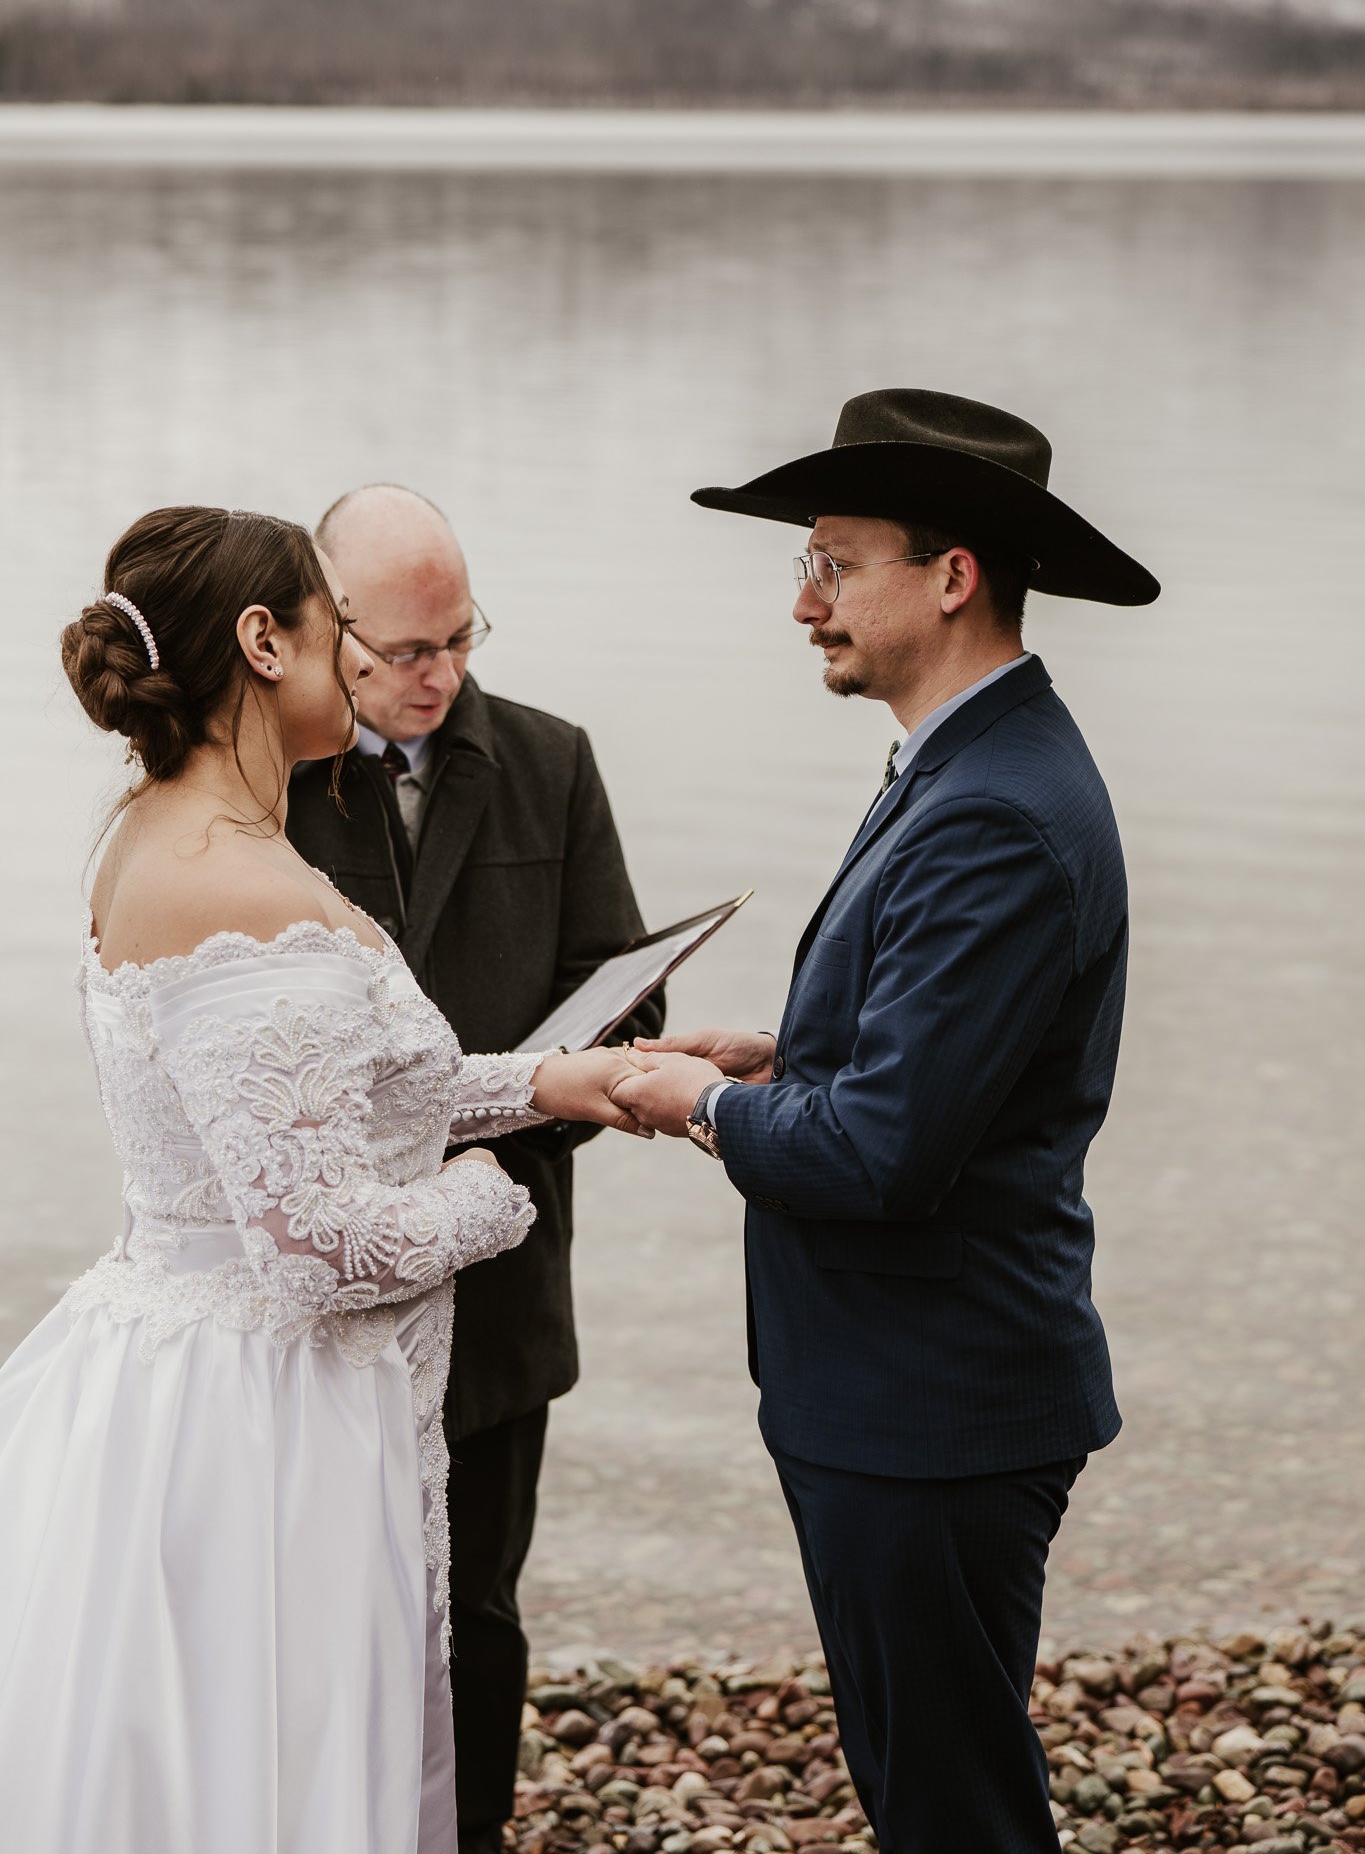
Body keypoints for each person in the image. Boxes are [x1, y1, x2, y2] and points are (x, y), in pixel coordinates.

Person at [0, 504, 645, 1854]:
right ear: (261, 640)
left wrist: (543, 1083)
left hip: (172, 1355)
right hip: (264, 1415)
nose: (360, 662)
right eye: (335, 628)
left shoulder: (153, 832)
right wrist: (491, 1196)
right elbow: (311, 1244)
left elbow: (317, 1092)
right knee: (275, 1763)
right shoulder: (245, 888)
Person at [615, 390, 1160, 1854]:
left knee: (951, 1808)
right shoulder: (964, 765)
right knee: (927, 1778)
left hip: (931, 1402)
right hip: (903, 1388)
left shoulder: (996, 805)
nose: (804, 603)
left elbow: (883, 1155)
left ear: (952, 574)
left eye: (833, 562)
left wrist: (704, 1102)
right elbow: (954, 1055)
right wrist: (794, 1049)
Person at [287, 483, 663, 1854]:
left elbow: (622, 998)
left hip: (504, 1275)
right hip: (323, 1289)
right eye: (404, 650)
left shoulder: (551, 760)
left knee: (477, 1613)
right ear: (326, 628)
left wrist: (539, 1099)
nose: (438, 675)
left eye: (460, 639)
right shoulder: (256, 782)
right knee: (314, 1602)